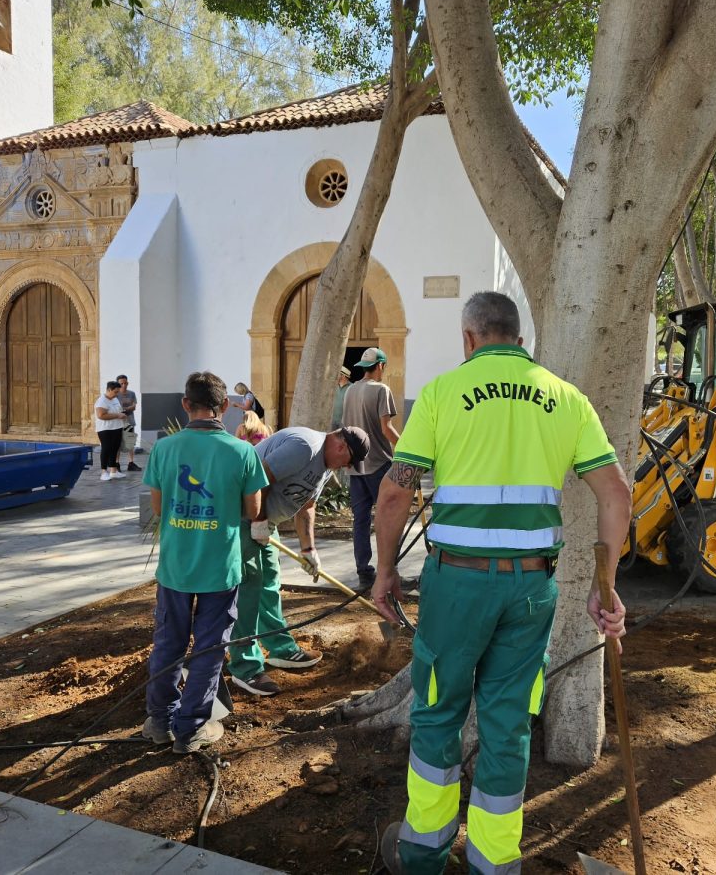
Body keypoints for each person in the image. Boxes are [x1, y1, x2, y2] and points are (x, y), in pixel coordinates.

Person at [370, 291, 633, 875]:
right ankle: (494, 861)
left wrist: (385, 571)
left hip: (456, 586)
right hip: (532, 589)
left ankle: (422, 854)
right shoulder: (566, 398)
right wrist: (605, 585)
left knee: (437, 712)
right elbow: (616, 494)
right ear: (519, 339)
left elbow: (394, 490)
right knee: (509, 723)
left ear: (468, 339)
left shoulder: (442, 393)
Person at [142, 372, 268, 754]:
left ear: (185, 404)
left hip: (176, 568)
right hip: (219, 568)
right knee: (210, 648)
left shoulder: (165, 449)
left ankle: (159, 721)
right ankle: (192, 729)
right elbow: (255, 509)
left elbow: (160, 507)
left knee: (168, 643)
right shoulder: (241, 451)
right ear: (225, 406)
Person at [227, 424, 371, 697]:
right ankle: (245, 667)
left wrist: (308, 549)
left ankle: (280, 648)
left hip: (266, 523)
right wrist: (257, 520)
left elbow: (307, 506)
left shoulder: (325, 467)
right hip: (243, 516)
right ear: (342, 446)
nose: (346, 467)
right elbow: (261, 477)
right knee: (249, 587)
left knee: (269, 582)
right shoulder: (305, 447)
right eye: (349, 461)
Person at [343, 347, 402, 591]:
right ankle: (390, 573)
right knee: (389, 519)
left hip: (355, 467)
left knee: (361, 521)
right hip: (379, 464)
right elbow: (386, 429)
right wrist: (407, 448)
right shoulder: (381, 390)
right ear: (380, 366)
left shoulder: (349, 391)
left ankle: (364, 573)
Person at [94, 381, 128, 481]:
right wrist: (118, 415)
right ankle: (104, 472)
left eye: (118, 392)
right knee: (106, 448)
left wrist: (122, 414)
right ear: (109, 390)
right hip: (105, 429)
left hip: (116, 427)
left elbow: (118, 410)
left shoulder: (115, 399)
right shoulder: (102, 401)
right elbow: (101, 415)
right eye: (115, 392)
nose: (117, 394)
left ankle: (113, 471)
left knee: (115, 448)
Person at [116, 374, 140, 472]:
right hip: (118, 423)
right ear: (118, 384)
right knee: (117, 444)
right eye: (121, 383)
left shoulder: (132, 394)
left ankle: (131, 463)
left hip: (129, 421)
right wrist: (127, 408)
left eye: (125, 383)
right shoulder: (115, 394)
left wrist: (125, 409)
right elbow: (116, 409)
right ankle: (116, 463)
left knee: (130, 443)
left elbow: (134, 406)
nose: (124, 385)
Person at [331, 365, 352, 430]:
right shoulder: (333, 385)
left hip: (344, 422)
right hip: (331, 420)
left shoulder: (352, 387)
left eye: (338, 374)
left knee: (341, 439)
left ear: (343, 375)